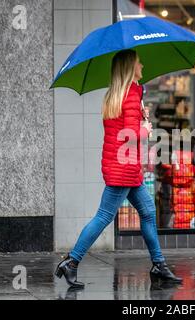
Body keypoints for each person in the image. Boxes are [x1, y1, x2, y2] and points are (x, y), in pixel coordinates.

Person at [55, 49, 182, 288]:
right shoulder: (132, 94)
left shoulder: (115, 95)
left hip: (123, 166)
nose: (142, 65)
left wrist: (140, 118)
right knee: (104, 216)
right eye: (138, 62)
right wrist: (146, 128)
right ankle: (71, 262)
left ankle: (159, 265)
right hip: (124, 168)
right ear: (129, 67)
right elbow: (131, 135)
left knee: (147, 212)